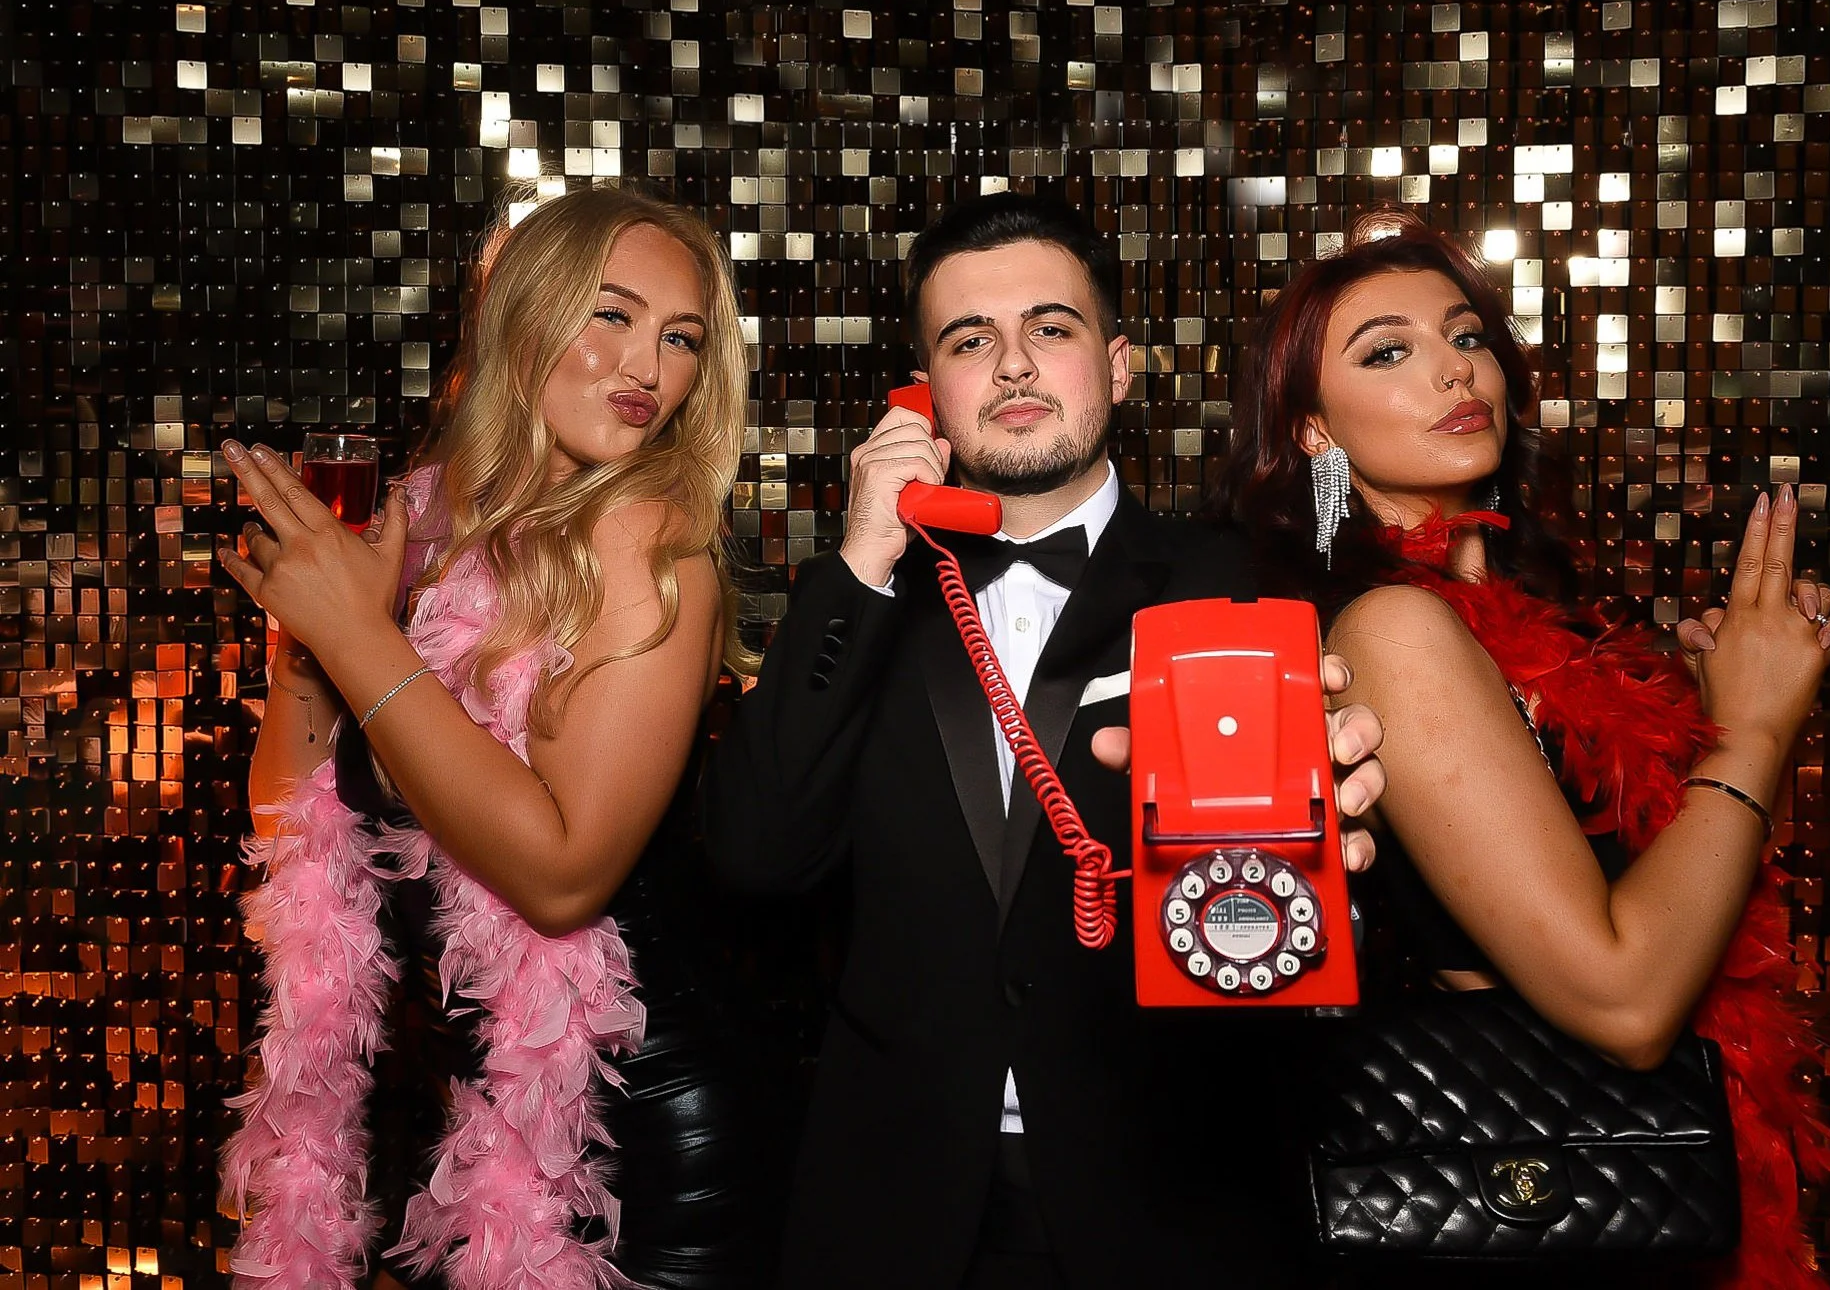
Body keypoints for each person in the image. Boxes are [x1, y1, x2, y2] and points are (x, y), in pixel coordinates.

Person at [704, 191, 1388, 1290]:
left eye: (1050, 328)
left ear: (1118, 367)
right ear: (926, 394)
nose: (1014, 364)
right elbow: (755, 853)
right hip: (894, 1216)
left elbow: (1293, 928)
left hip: (1172, 1202)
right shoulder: (864, 603)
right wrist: (864, 558)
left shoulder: (1242, 582)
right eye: (970, 340)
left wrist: (1337, 847)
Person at [1211, 211, 1830, 1288]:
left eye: (1465, 336)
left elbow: (1693, 903)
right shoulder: (1390, 632)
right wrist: (1754, 732)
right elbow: (1627, 1002)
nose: (1452, 368)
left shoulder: (1553, 638)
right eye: (1387, 352)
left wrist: (1727, 709)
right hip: (1523, 1207)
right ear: (1315, 434)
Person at [216, 183, 779, 1290]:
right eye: (611, 314)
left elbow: (564, 877)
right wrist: (308, 646)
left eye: (681, 339)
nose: (648, 366)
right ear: (524, 314)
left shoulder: (649, 538)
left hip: (632, 1160)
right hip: (458, 1145)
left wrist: (360, 639)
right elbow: (290, 825)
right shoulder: (428, 520)